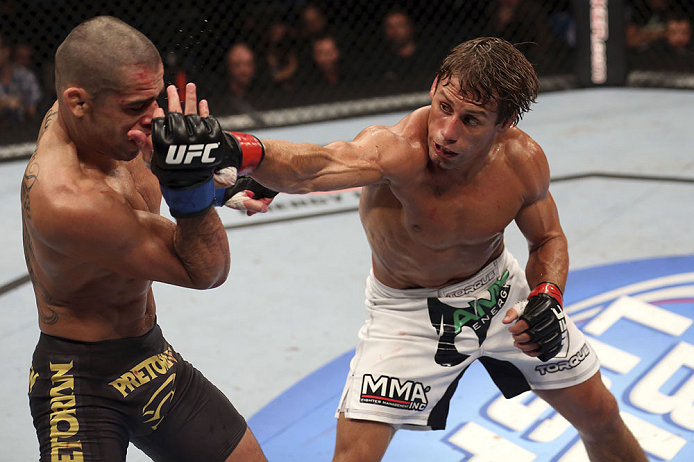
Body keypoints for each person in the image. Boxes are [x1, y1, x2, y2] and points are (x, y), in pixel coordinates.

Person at [201, 37, 648, 461]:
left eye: (470, 120)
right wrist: (243, 150)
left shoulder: (522, 160)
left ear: (504, 123)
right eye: (444, 106)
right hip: (408, 313)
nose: (447, 132)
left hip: (498, 294)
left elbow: (547, 238)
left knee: (602, 416)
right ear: (434, 87)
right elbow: (320, 166)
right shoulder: (395, 148)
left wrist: (548, 295)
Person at [21, 16, 271, 462]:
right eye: (137, 105)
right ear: (76, 103)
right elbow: (205, 271)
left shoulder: (94, 118)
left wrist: (215, 183)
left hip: (147, 356)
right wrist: (191, 189)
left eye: (154, 100)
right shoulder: (68, 200)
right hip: (79, 381)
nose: (154, 117)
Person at [0, 33, 42, 125]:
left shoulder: (26, 76)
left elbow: (33, 111)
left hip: (23, 129)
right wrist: (3, 104)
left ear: (5, 51)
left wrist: (21, 105)